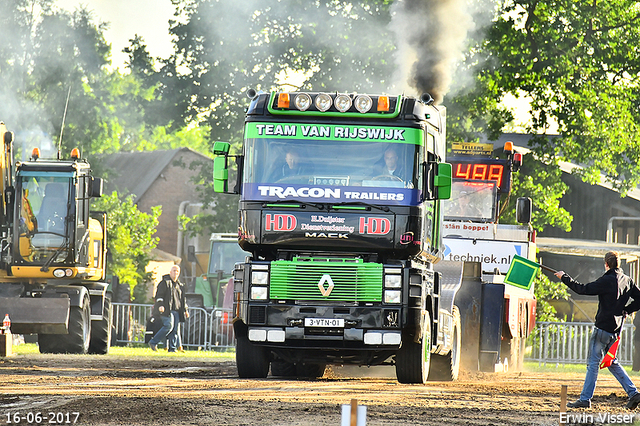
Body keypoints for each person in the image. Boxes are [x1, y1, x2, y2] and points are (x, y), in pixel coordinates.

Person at [554, 251, 640, 409]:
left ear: (606, 264)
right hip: (615, 330)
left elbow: (582, 289)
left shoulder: (606, 279)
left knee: (593, 363)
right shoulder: (627, 280)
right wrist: (627, 310)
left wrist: (564, 278)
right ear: (618, 263)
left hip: (602, 329)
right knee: (611, 362)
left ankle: (585, 399)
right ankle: (633, 393)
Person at [148, 265, 189, 353]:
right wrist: (160, 305)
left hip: (177, 311)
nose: (175, 273)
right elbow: (159, 295)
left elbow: (182, 299)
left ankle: (172, 349)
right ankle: (153, 342)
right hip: (167, 310)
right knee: (168, 326)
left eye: (177, 271)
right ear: (170, 272)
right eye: (174, 271)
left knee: (174, 330)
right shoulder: (164, 283)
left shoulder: (179, 285)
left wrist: (185, 309)